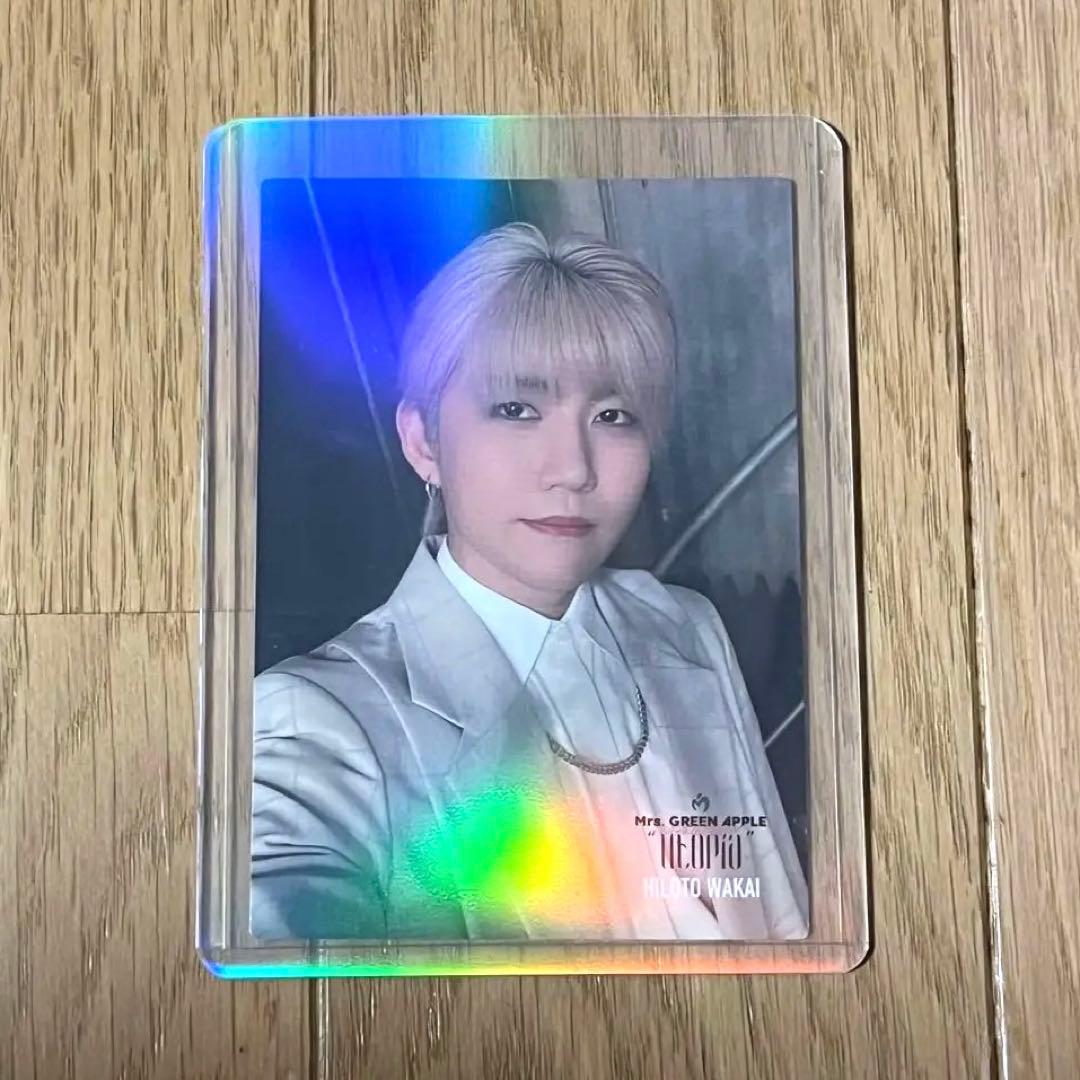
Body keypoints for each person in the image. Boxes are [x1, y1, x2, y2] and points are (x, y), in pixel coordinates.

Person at [250, 221, 809, 943]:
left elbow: (782, 916)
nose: (573, 468)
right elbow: (287, 936)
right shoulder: (322, 721)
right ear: (423, 441)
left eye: (614, 415)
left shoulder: (685, 627)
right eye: (516, 409)